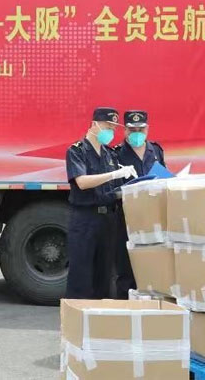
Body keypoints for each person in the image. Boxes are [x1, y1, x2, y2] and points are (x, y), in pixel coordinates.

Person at [65, 107, 137, 299]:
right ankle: (77, 313)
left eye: (113, 128)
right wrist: (113, 174)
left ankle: (98, 314)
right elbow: (82, 182)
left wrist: (134, 187)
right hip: (85, 219)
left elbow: (114, 190)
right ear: (94, 124)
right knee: (81, 275)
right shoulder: (77, 150)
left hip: (108, 219)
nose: (111, 132)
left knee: (104, 276)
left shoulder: (109, 154)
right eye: (107, 126)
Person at [111, 110, 166, 299]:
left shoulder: (156, 151)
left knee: (152, 264)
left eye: (140, 129)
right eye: (132, 130)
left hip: (153, 217)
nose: (136, 133)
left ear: (147, 129)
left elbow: (164, 178)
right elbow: (112, 187)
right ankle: (124, 306)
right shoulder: (116, 154)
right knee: (126, 267)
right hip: (127, 217)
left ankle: (151, 305)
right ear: (125, 130)